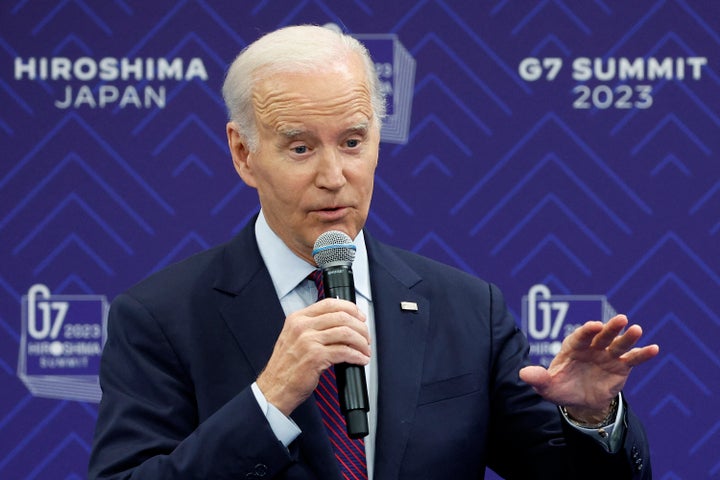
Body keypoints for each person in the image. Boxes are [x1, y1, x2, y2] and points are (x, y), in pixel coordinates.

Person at [88, 24, 660, 479]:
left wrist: (590, 418)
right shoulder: (161, 318)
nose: (334, 176)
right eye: (300, 147)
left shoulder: (466, 309)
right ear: (243, 154)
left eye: (353, 142)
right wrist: (269, 401)